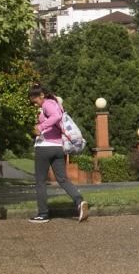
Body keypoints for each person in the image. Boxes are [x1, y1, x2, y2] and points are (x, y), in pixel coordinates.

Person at [28, 84, 88, 223]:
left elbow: (56, 116)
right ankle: (79, 202)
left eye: (34, 99)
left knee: (40, 181)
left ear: (41, 95)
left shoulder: (47, 104)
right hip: (58, 148)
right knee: (63, 179)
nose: (34, 102)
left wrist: (40, 126)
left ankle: (43, 214)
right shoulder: (56, 103)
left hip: (44, 148)